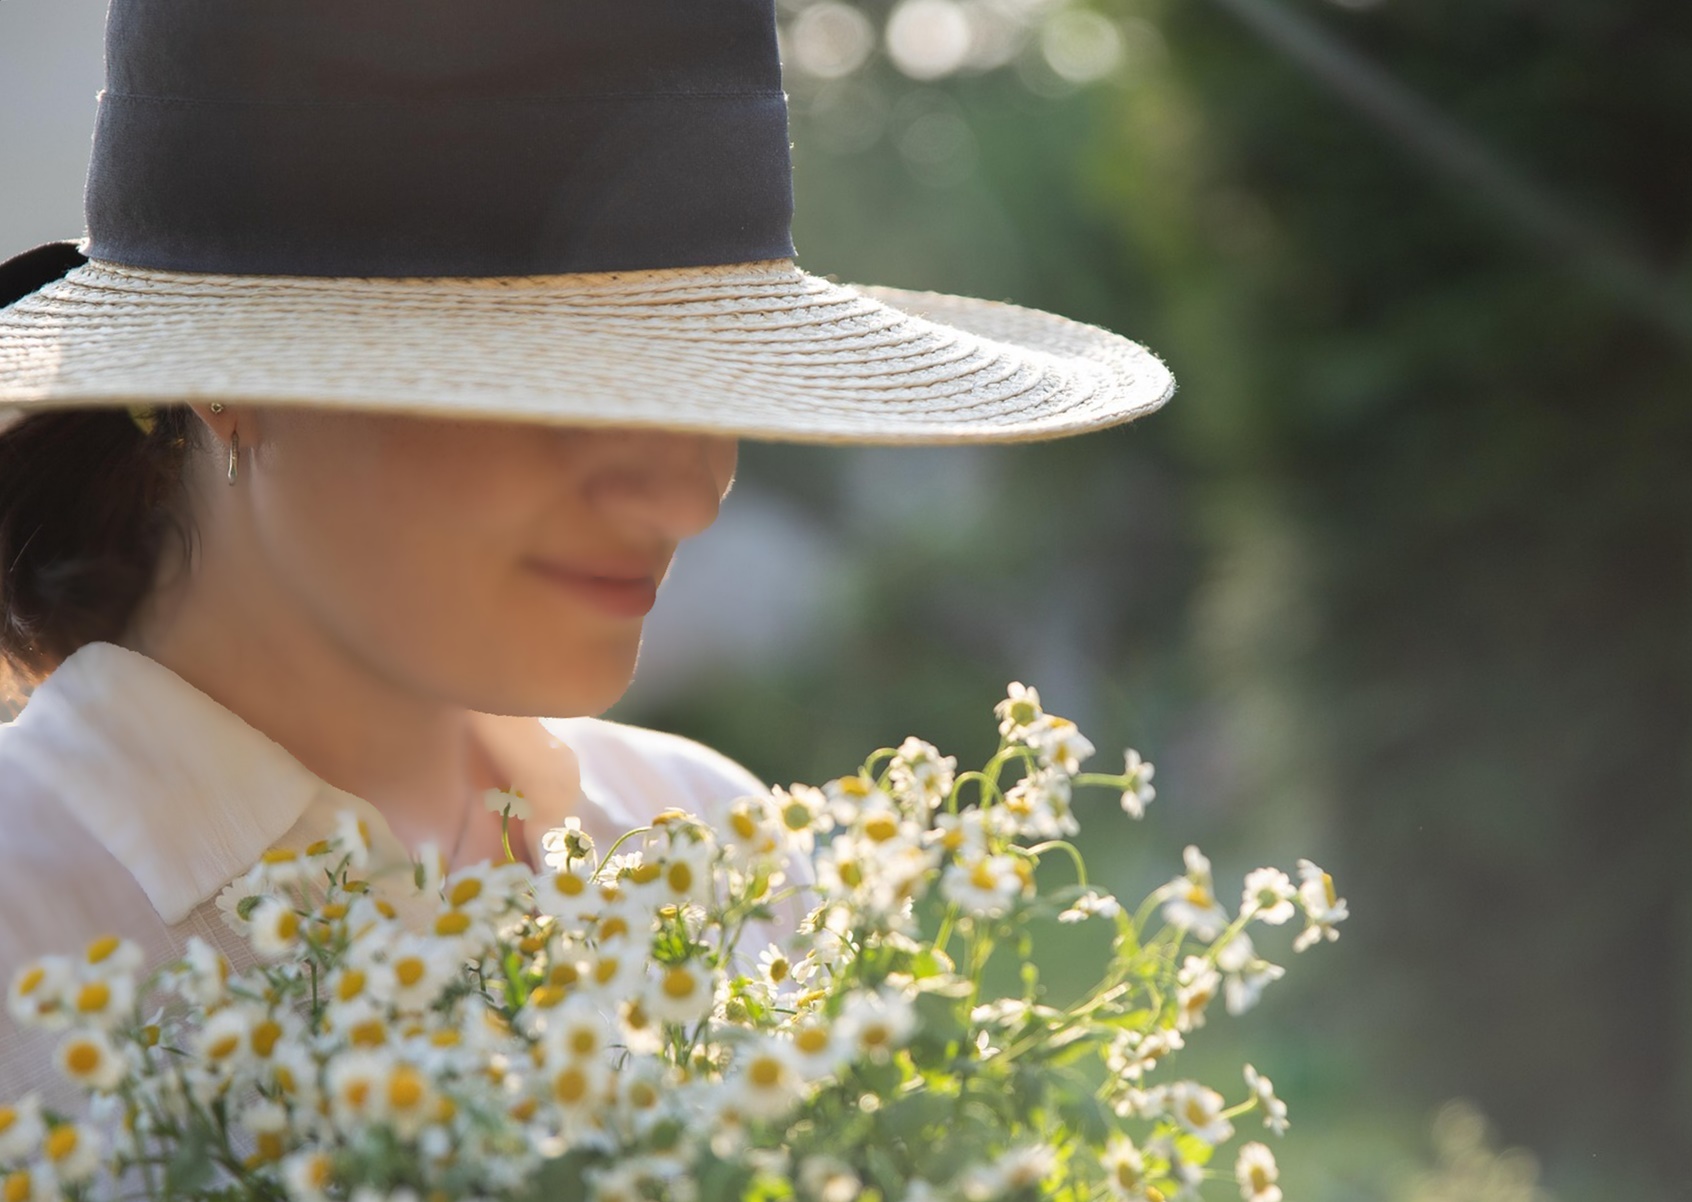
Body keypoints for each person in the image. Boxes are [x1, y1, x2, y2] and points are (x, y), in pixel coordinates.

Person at [0, 1, 1172, 1107]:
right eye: (548, 385)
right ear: (224, 380)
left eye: (708, 370)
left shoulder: (708, 846)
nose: (689, 492)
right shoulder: (25, 909)